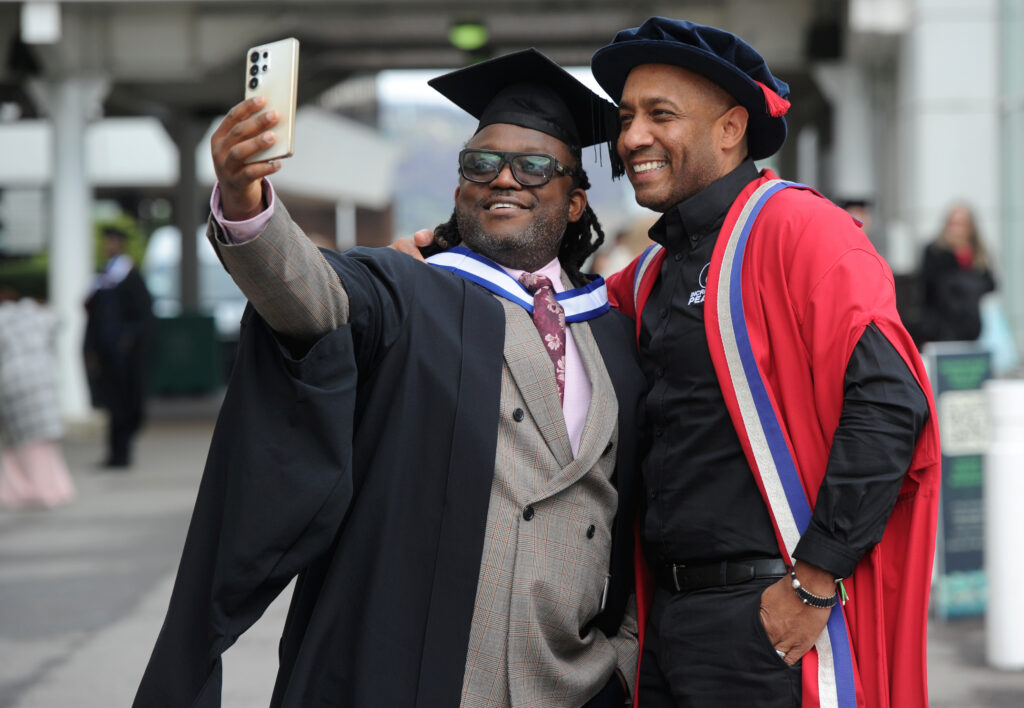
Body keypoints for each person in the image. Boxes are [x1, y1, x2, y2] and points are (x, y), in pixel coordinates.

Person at [134, 49, 645, 708]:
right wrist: (244, 200)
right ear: (459, 189)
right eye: (481, 163)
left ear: (575, 202)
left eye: (533, 166)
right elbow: (313, 297)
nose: (503, 178)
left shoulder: (615, 336)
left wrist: (624, 653)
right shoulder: (407, 294)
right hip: (425, 673)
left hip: (575, 683)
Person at [586, 18, 940, 708]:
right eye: (626, 118)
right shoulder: (650, 273)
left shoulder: (800, 228)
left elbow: (890, 402)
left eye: (660, 114)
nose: (631, 137)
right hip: (665, 622)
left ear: (730, 128)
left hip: (765, 619)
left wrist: (815, 579)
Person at [83, 226, 154, 468]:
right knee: (111, 405)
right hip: (106, 353)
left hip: (125, 356)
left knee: (126, 403)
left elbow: (143, 315)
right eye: (107, 241)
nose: (109, 245)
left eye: (113, 241)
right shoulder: (102, 276)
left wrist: (127, 342)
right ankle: (114, 454)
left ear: (121, 244)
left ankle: (123, 454)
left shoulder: (130, 275)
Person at [0, 290, 75, 509]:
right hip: (43, 376)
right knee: (45, 440)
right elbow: (60, 319)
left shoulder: (3, 320)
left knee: (18, 440)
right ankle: (53, 488)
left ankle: (22, 490)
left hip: (12, 379)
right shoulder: (36, 315)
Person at [915, 202, 995, 344]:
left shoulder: (978, 254)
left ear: (970, 228)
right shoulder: (934, 252)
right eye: (952, 224)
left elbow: (991, 284)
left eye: (961, 224)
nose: (956, 230)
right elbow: (928, 286)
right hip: (941, 330)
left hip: (971, 330)